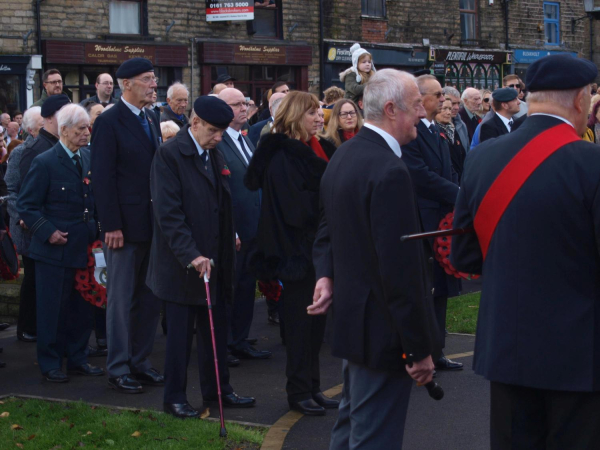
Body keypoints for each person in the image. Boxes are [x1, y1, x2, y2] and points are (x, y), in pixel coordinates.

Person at [451, 54, 600, 449]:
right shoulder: (592, 162)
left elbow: (464, 255)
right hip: (579, 353)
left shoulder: (481, 156)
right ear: (582, 99)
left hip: (507, 344)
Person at [310, 68, 438, 449]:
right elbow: (399, 272)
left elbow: (327, 231)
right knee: (371, 438)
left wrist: (325, 274)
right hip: (383, 332)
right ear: (391, 109)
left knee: (351, 429)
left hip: (355, 322)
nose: (423, 113)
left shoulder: (346, 154)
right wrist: (417, 349)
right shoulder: (388, 169)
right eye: (417, 105)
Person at [147, 96, 255, 418]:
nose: (218, 137)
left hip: (215, 261)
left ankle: (218, 391)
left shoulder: (213, 151)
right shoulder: (169, 155)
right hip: (182, 266)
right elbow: (169, 215)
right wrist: (191, 255)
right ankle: (174, 398)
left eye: (222, 131)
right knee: (180, 339)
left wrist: (231, 233)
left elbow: (222, 202)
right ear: (193, 123)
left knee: (215, 333)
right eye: (212, 130)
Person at [244, 91, 339, 416]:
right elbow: (295, 209)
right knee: (300, 326)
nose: (319, 118)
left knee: (316, 327)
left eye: (320, 112)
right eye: (312, 113)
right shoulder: (283, 155)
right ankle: (298, 391)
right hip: (297, 251)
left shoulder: (316, 147)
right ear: (296, 116)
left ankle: (312, 386)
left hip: (318, 248)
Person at [91, 57, 164, 394]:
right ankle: (118, 367)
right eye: (148, 79)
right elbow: (103, 178)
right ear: (126, 84)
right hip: (123, 228)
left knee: (149, 298)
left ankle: (140, 361)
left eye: (154, 79)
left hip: (152, 225)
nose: (154, 85)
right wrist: (111, 225)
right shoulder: (109, 121)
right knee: (121, 300)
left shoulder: (152, 117)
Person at [17, 103, 104, 383]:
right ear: (64, 130)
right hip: (54, 250)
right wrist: (48, 231)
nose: (86, 133)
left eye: (87, 128)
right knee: (52, 310)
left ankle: (77, 358)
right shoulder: (45, 162)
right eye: (80, 129)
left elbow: (94, 199)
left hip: (83, 247)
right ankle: (51, 363)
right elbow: (27, 206)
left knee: (82, 308)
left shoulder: (88, 158)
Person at [402, 74, 462, 372]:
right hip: (423, 221)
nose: (444, 100)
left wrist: (458, 194)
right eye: (437, 95)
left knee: (440, 289)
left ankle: (437, 350)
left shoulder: (435, 129)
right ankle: (423, 350)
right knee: (426, 289)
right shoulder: (412, 133)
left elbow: (447, 170)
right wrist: (459, 194)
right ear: (420, 98)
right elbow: (420, 175)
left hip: (441, 218)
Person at [216, 88, 272, 361]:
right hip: (234, 230)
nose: (243, 107)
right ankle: (224, 343)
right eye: (236, 104)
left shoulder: (245, 138)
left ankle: (240, 338)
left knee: (248, 286)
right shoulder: (217, 142)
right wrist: (233, 229)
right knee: (231, 288)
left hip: (254, 228)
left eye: (245, 103)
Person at [437, 97, 466, 183]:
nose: (448, 112)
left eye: (450, 109)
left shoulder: (453, 130)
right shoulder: (435, 131)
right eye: (444, 108)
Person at [443, 86, 471, 153]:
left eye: (458, 103)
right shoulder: (436, 126)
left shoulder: (461, 125)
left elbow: (467, 150)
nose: (457, 107)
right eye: (453, 103)